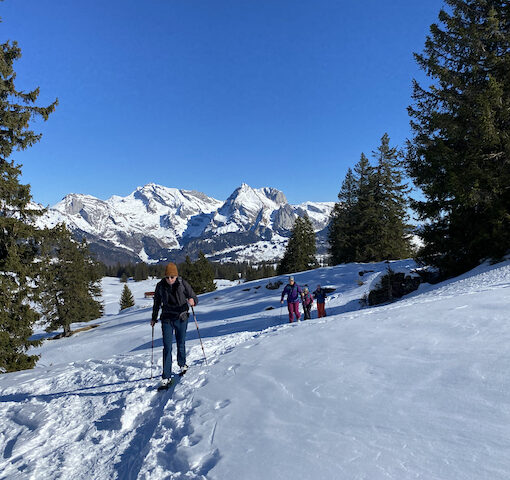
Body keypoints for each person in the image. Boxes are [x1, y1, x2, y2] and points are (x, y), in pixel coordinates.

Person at [151, 262, 198, 388]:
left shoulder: (183, 283)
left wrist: (193, 301)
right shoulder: (160, 286)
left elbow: (194, 297)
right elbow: (156, 303)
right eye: (167, 277)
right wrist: (154, 318)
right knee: (167, 347)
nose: (170, 279)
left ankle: (182, 364)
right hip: (167, 319)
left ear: (176, 276)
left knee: (180, 342)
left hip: (181, 317)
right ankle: (166, 376)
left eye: (172, 277)